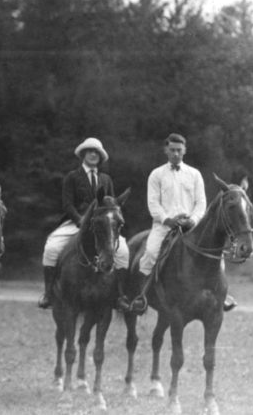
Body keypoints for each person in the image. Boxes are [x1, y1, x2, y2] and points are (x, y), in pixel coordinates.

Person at [129, 133, 235, 313]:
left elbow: (201, 203)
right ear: (166, 150)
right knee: (150, 252)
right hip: (164, 225)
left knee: (217, 255)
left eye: (179, 150)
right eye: (172, 150)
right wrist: (167, 220)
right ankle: (142, 296)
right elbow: (153, 203)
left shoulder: (194, 174)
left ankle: (222, 295)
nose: (176, 154)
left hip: (191, 226)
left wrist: (192, 220)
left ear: (185, 151)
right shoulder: (156, 174)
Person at [38, 137, 131, 310]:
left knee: (123, 251)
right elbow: (67, 204)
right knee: (51, 248)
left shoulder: (106, 179)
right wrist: (79, 219)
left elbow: (111, 204)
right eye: (90, 151)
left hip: (102, 226)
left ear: (100, 157)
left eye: (96, 152)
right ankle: (48, 293)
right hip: (76, 222)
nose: (93, 154)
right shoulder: (72, 177)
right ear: (82, 154)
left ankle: (120, 295)